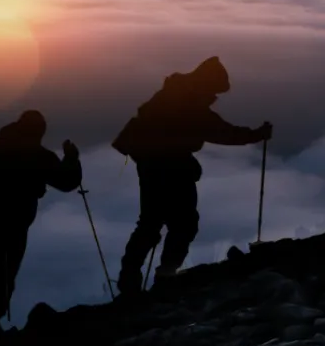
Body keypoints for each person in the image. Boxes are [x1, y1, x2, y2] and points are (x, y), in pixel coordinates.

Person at [111, 57, 271, 297]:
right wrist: (256, 135)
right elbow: (221, 131)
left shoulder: (173, 94)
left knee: (151, 222)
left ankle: (130, 281)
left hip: (151, 165)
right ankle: (165, 277)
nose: (215, 96)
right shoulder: (188, 103)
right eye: (215, 89)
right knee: (183, 223)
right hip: (170, 167)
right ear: (206, 83)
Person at [0, 110, 81, 340]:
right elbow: (67, 182)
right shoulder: (37, 155)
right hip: (14, 224)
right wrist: (71, 158)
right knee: (3, 272)